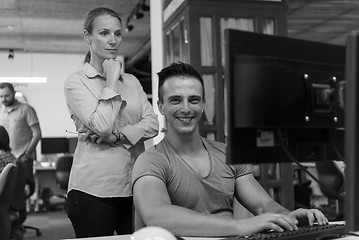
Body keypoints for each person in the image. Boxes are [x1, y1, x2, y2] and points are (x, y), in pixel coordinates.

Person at [132, 62, 329, 237]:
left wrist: (288, 216)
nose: (186, 108)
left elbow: (262, 205)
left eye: (193, 100)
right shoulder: (151, 161)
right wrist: (240, 226)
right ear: (160, 106)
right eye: (175, 100)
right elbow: (157, 216)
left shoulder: (226, 154)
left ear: (203, 104)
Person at [63, 7, 159, 238]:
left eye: (117, 34)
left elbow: (153, 124)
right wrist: (112, 80)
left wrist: (116, 137)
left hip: (135, 184)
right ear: (88, 37)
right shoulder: (76, 82)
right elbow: (102, 125)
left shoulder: (133, 81)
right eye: (104, 33)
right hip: (93, 189)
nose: (113, 41)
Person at [0, 83, 40, 239]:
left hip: (21, 159)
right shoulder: (1, 111)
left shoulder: (26, 110)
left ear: (14, 93)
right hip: (5, 158)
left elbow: (37, 134)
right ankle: (13, 227)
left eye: (6, 96)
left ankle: (15, 227)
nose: (3, 99)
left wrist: (26, 155)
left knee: (16, 197)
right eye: (1, 96)